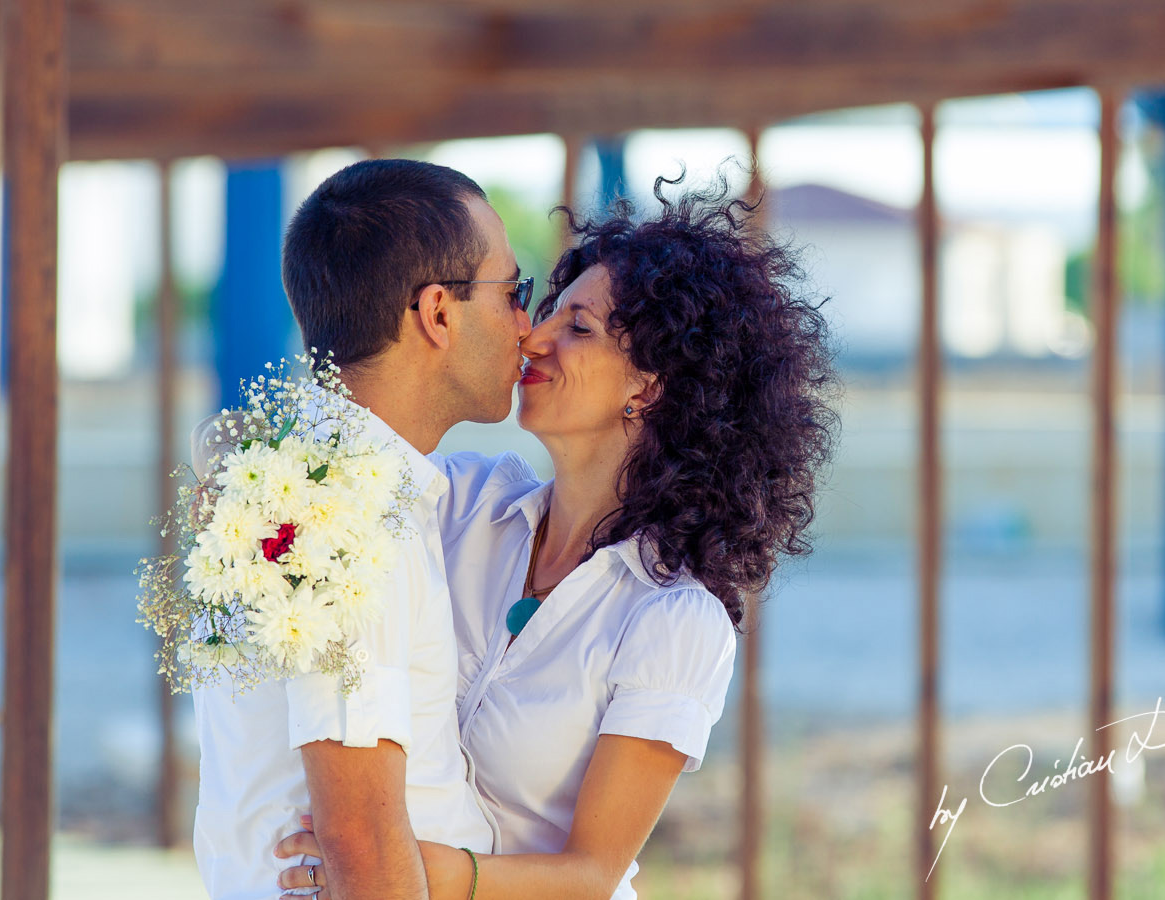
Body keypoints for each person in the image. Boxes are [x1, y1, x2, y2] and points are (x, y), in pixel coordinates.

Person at [275, 174, 839, 899]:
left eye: (578, 328)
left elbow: (595, 872)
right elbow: (339, 470)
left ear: (650, 386)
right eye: (542, 311)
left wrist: (434, 870)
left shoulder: (673, 620)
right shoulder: (461, 501)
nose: (532, 338)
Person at [191, 158, 535, 900]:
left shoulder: (303, 479)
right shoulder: (342, 511)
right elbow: (359, 837)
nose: (527, 326)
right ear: (438, 313)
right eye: (515, 293)